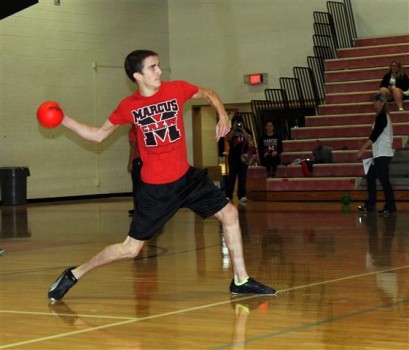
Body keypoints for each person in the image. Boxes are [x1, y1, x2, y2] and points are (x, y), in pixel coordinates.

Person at [47, 50, 276, 301]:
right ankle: (74, 274)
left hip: (186, 178)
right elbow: (98, 135)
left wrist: (223, 115)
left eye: (158, 66)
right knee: (131, 250)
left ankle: (240, 280)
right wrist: (64, 120)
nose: (159, 72)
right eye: (153, 68)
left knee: (230, 214)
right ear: (137, 76)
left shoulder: (176, 89)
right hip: (156, 190)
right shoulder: (128, 107)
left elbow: (208, 93)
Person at [357, 93, 396, 215]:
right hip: (379, 154)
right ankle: (371, 204)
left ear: (382, 102)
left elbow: (374, 135)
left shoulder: (383, 117)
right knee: (371, 176)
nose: (374, 103)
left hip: (383, 154)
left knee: (384, 180)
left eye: (376, 101)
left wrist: (362, 149)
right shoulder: (380, 116)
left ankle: (390, 206)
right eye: (373, 101)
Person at [224, 114, 254, 203]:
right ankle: (228, 195)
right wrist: (233, 129)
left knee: (242, 177)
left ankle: (242, 195)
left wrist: (243, 129)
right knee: (232, 176)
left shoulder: (247, 130)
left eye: (239, 122)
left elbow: (250, 140)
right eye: (236, 122)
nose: (238, 124)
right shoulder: (230, 131)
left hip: (244, 157)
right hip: (233, 157)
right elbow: (227, 139)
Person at [127, 125, 142, 216]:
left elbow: (133, 146)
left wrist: (130, 162)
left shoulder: (133, 130)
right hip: (146, 160)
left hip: (137, 160)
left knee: (137, 187)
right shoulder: (143, 128)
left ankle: (138, 209)